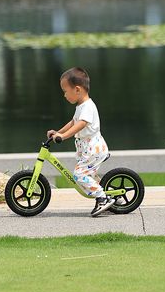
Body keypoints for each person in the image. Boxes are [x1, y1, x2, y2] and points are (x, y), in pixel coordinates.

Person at [47, 67, 115, 217]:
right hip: (87, 149)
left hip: (93, 148)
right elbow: (73, 122)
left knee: (79, 175)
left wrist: (63, 137)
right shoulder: (81, 107)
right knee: (87, 175)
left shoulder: (88, 107)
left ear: (77, 89)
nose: (64, 95)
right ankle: (109, 196)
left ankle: (102, 198)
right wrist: (58, 132)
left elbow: (80, 124)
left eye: (65, 91)